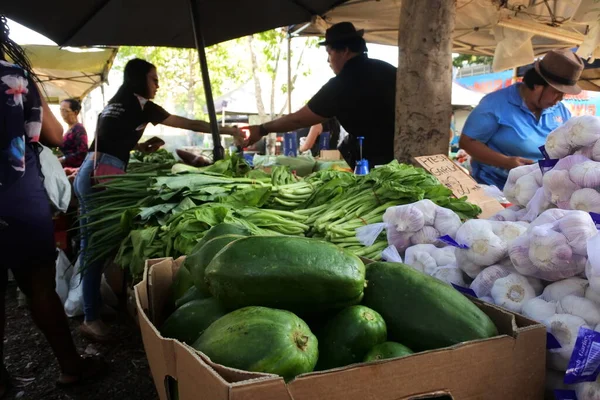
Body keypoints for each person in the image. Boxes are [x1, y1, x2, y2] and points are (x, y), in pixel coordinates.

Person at [74, 58, 242, 341]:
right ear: (140, 80)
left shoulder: (117, 101)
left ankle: (94, 305)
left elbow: (109, 137)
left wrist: (139, 146)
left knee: (92, 244)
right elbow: (186, 122)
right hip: (103, 177)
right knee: (94, 248)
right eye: (154, 79)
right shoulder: (141, 103)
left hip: (90, 171)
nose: (158, 84)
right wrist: (227, 130)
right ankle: (90, 318)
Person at [0, 15, 104, 395]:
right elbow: (55, 135)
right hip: (15, 192)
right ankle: (71, 367)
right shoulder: (14, 76)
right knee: (39, 286)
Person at [244, 22, 397, 168]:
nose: (328, 60)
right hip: (403, 155)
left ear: (344, 51)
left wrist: (263, 129)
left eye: (329, 53)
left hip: (376, 162)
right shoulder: (387, 69)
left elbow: (298, 120)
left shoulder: (343, 84)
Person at [459, 49, 583, 189]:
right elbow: (468, 142)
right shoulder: (495, 104)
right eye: (556, 93)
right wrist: (506, 162)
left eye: (563, 95)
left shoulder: (561, 111)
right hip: (496, 187)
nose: (559, 99)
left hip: (539, 188)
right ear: (537, 86)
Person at [58, 98, 88, 168]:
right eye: (61, 110)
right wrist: (54, 150)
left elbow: (82, 153)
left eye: (65, 111)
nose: (62, 114)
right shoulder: (68, 129)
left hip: (72, 171)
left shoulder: (79, 129)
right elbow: (61, 148)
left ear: (75, 112)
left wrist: (63, 159)